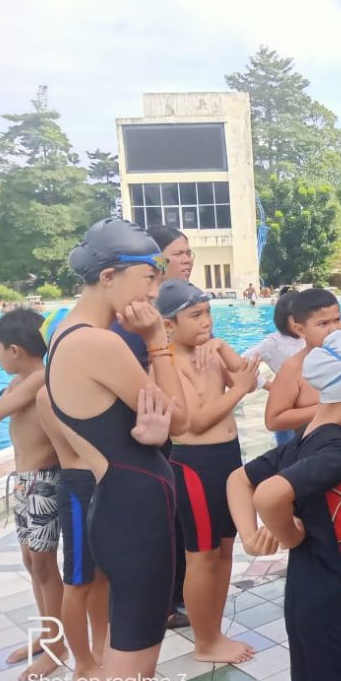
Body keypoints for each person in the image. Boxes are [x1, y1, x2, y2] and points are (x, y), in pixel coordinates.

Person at [44, 218, 186, 681]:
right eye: (148, 278)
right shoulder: (98, 344)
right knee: (133, 662)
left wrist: (154, 429)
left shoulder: (64, 337)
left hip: (120, 506)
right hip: (136, 512)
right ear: (109, 276)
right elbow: (181, 418)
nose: (154, 291)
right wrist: (157, 339)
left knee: (127, 654)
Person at [228, 330, 341, 681]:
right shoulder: (340, 450)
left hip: (308, 593)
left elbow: (239, 479)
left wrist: (251, 538)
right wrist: (290, 534)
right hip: (336, 602)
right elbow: (268, 494)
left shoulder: (306, 439)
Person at [157, 280, 260, 664]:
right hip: (195, 466)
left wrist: (222, 347)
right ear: (168, 325)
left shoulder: (210, 352)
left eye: (208, 313)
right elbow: (194, 422)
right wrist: (239, 389)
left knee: (225, 548)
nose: (206, 322)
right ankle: (204, 643)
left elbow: (247, 380)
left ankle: (214, 631)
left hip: (227, 458)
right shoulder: (168, 363)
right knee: (202, 555)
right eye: (196, 315)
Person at [0, 309, 66, 681]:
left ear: (15, 350)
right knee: (32, 562)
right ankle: (46, 634)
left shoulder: (38, 379)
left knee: (44, 565)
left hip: (43, 482)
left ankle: (57, 645)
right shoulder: (21, 381)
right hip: (25, 483)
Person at [35, 382, 110, 681]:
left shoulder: (89, 383)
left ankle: (100, 647)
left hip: (104, 482)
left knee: (102, 573)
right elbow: (85, 444)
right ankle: (82, 663)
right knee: (78, 580)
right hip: (79, 485)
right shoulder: (48, 393)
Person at [147, 224, 195, 629]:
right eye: (179, 253)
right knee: (162, 522)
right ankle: (162, 602)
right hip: (161, 429)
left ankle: (176, 595)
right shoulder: (145, 313)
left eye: (189, 252)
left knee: (178, 520)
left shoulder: (183, 300)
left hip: (182, 438)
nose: (187, 259)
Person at [264, 289, 341, 434]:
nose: (334, 329)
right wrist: (329, 408)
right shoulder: (294, 368)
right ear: (300, 330)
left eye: (337, 320)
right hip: (314, 446)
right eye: (323, 323)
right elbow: (273, 420)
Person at [244, 291, 305, 446]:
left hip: (311, 404)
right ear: (284, 317)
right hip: (286, 406)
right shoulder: (273, 343)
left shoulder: (310, 336)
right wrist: (268, 385)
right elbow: (243, 362)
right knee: (289, 451)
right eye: (296, 316)